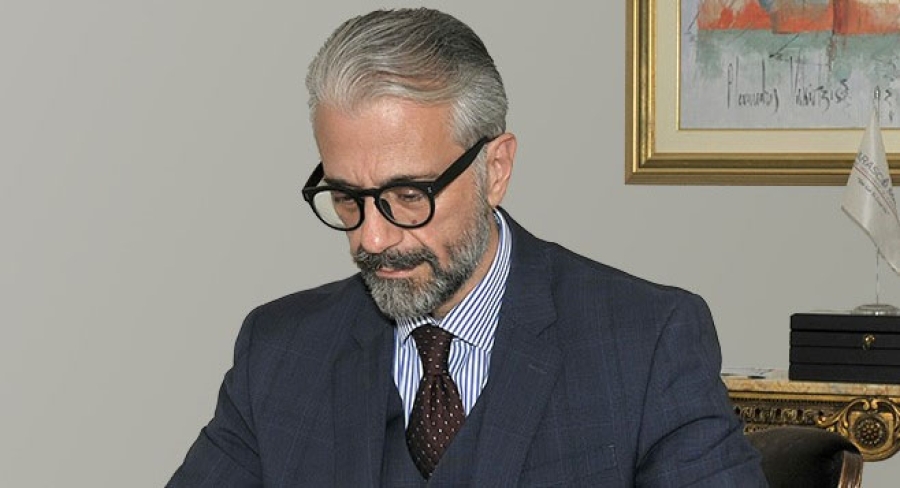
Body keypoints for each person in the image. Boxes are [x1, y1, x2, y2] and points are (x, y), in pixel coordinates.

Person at [168, 7, 766, 487]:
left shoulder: (645, 342)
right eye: (347, 198)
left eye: (409, 195)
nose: (372, 238)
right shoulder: (279, 351)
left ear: (495, 169)